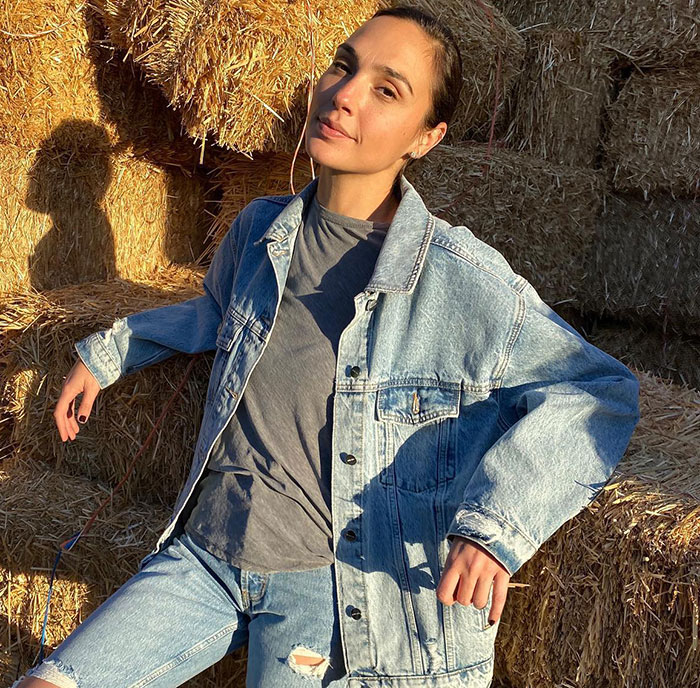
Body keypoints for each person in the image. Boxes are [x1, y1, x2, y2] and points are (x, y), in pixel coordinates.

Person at [13, 5, 641, 688]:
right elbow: (218, 316)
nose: (345, 94)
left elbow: (598, 391)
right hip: (203, 558)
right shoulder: (259, 230)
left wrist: (495, 526)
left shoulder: (459, 278)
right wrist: (109, 354)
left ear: (426, 138)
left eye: (386, 90)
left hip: (324, 594)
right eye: (344, 65)